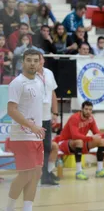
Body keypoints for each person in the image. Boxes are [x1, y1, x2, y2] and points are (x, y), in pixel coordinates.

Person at [3, 49, 47, 211]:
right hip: (22, 136)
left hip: (36, 135)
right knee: (26, 174)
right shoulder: (17, 83)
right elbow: (11, 110)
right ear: (23, 62)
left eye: (35, 60)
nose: (32, 63)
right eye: (28, 60)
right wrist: (31, 126)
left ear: (40, 62)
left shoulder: (39, 81)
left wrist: (39, 127)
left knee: (36, 175)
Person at [53, 101, 104, 180]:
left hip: (80, 142)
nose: (88, 111)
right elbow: (75, 135)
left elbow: (97, 133)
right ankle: (79, 172)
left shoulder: (91, 118)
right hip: (64, 143)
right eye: (86, 109)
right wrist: (91, 138)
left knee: (101, 141)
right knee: (79, 141)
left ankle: (99, 170)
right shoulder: (74, 118)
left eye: (90, 110)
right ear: (81, 109)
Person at [38, 55, 60, 186]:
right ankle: (36, 175)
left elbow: (53, 94)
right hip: (34, 118)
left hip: (46, 116)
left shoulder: (49, 73)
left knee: (47, 146)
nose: (37, 62)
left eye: (39, 59)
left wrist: (55, 112)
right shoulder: (31, 76)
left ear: (43, 60)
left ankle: (46, 175)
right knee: (35, 148)